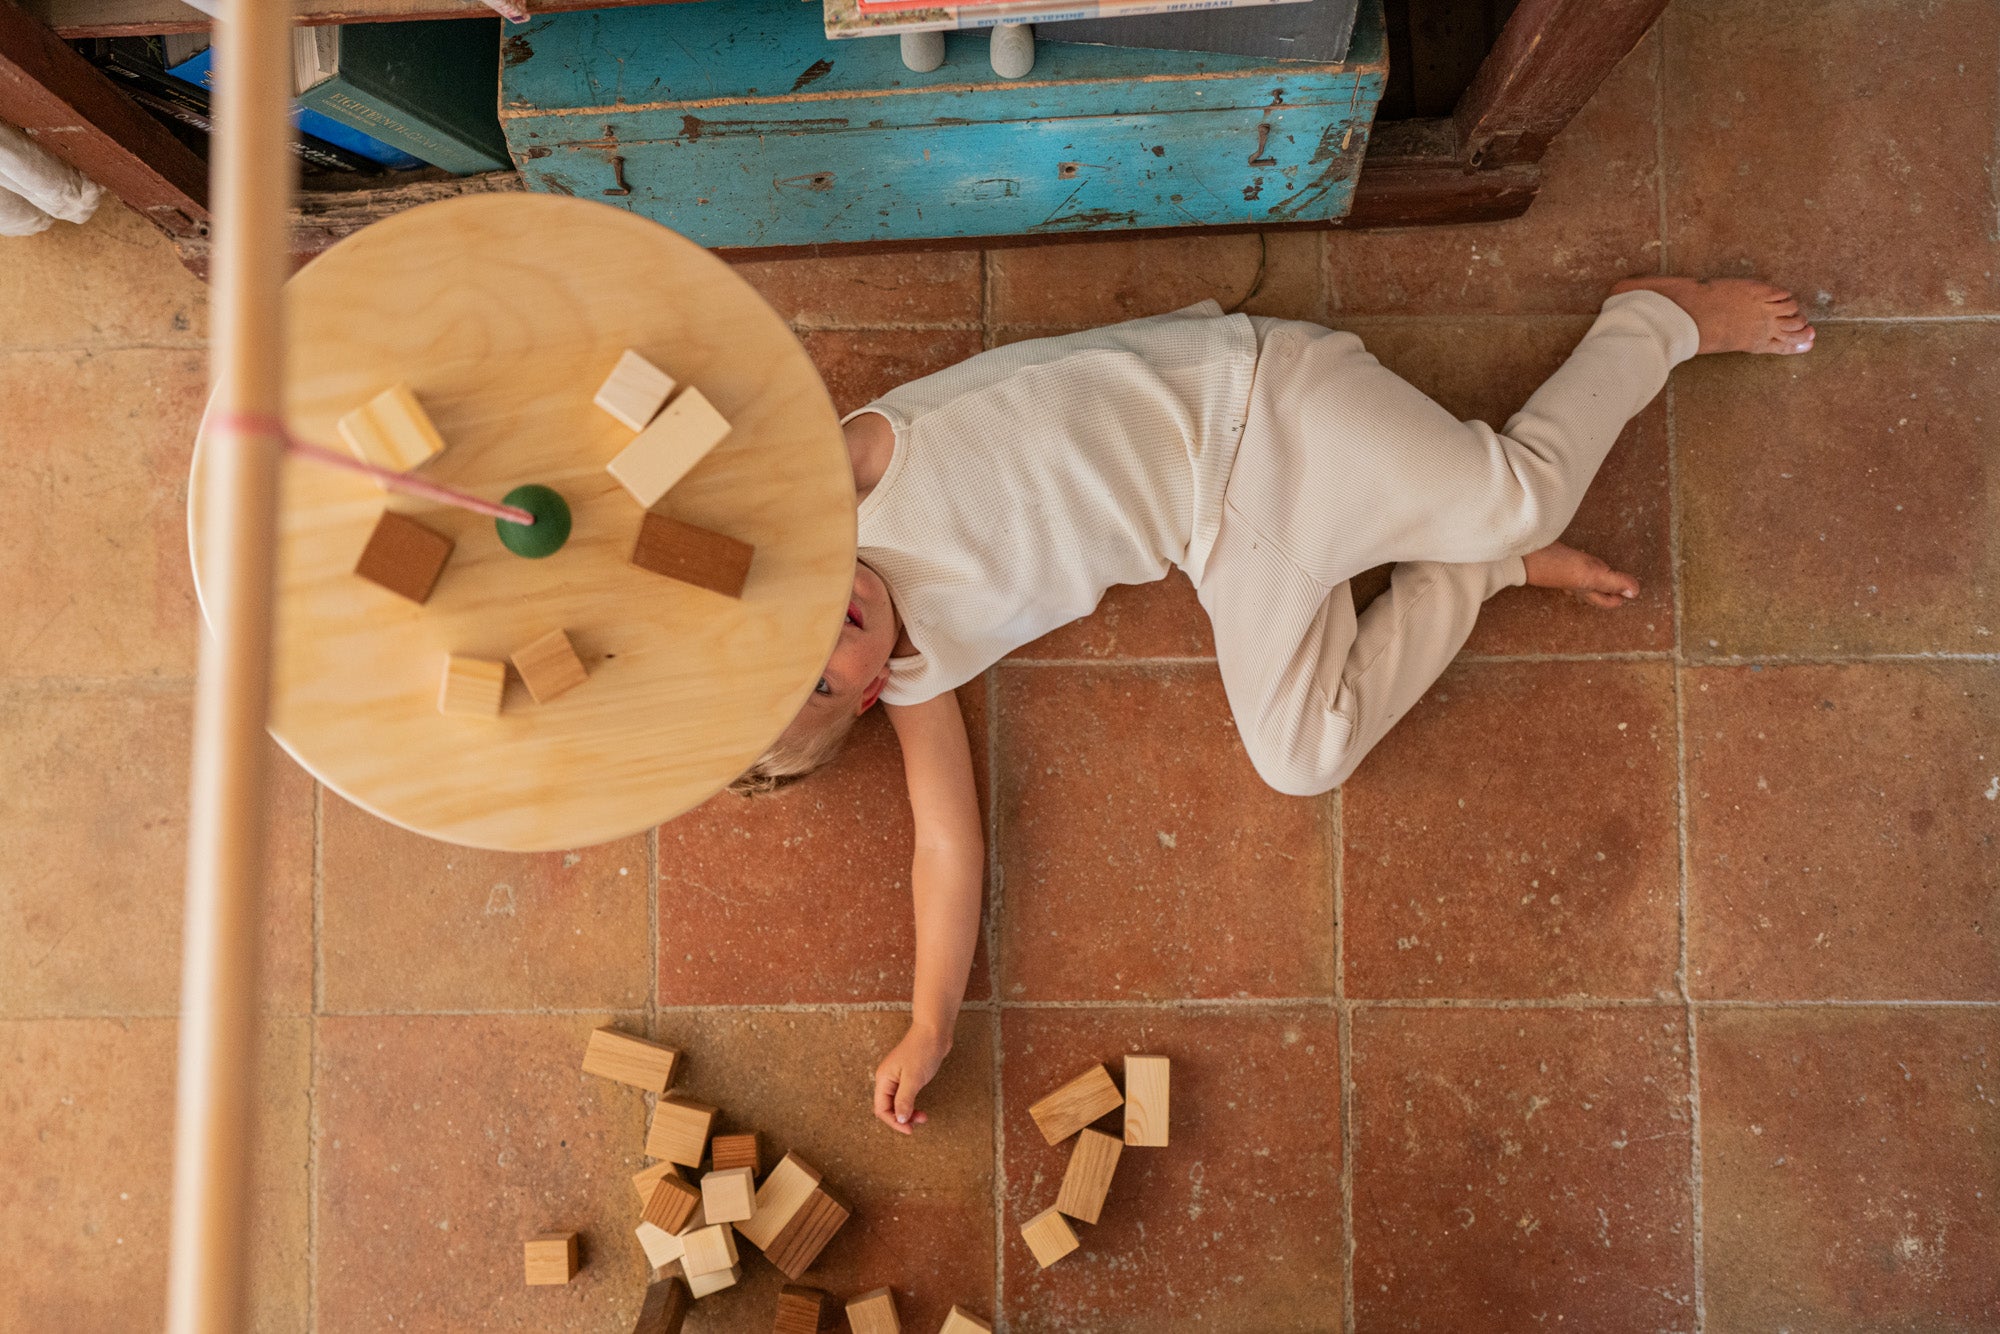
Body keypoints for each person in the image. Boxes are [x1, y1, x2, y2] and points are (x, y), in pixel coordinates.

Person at [729, 276, 1815, 1134]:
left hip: (1251, 405)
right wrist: (928, 1023)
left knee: (1519, 491)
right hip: (1221, 542)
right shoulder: (914, 673)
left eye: (789, 630)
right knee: (1301, 755)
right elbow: (945, 846)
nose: (826, 632)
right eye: (821, 681)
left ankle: (1654, 319)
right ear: (865, 697)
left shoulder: (842, 486)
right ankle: (1472, 573)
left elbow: (730, 500)